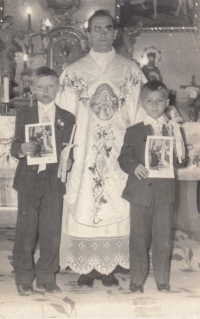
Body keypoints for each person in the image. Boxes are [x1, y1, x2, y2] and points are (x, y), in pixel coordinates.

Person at [56, 9, 146, 287]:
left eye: (108, 28)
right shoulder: (73, 72)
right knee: (83, 200)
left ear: (116, 33)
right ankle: (87, 267)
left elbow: (140, 117)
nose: (103, 34)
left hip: (119, 153)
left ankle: (108, 267)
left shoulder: (130, 70)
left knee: (115, 201)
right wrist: (65, 155)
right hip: (83, 153)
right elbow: (62, 119)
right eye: (97, 29)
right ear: (88, 34)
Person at [10, 67, 75, 295]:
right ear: (32, 89)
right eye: (40, 86)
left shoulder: (67, 118)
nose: (45, 91)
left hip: (53, 182)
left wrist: (68, 163)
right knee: (26, 230)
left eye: (50, 86)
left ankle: (47, 276)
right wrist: (21, 149)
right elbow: (14, 145)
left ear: (58, 88)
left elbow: (69, 150)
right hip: (28, 181)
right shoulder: (24, 115)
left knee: (50, 231)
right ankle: (24, 277)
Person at [118, 80, 184, 293]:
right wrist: (134, 165)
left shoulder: (173, 129)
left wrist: (176, 143)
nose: (154, 106)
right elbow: (123, 157)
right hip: (140, 194)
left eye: (159, 101)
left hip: (164, 193)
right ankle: (137, 279)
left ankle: (162, 279)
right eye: (149, 101)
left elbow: (180, 159)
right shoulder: (134, 131)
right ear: (142, 104)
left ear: (167, 102)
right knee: (138, 238)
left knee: (163, 238)